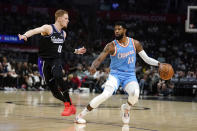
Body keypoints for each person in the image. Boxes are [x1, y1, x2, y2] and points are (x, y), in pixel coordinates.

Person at [75, 21, 164, 124]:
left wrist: (159, 64)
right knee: (105, 94)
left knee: (135, 94)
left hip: (129, 76)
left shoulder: (135, 43)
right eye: (115, 30)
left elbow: (147, 59)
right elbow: (99, 59)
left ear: (124, 30)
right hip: (115, 75)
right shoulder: (111, 45)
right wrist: (93, 66)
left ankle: (126, 108)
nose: (116, 31)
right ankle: (80, 115)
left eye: (119, 29)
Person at [18, 9, 86, 116]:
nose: (68, 21)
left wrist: (76, 51)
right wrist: (25, 35)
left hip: (56, 59)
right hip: (43, 61)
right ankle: (70, 105)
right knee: (54, 92)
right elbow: (34, 30)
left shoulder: (63, 34)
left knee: (58, 76)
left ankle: (68, 106)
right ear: (59, 19)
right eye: (66, 18)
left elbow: (64, 47)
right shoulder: (48, 28)